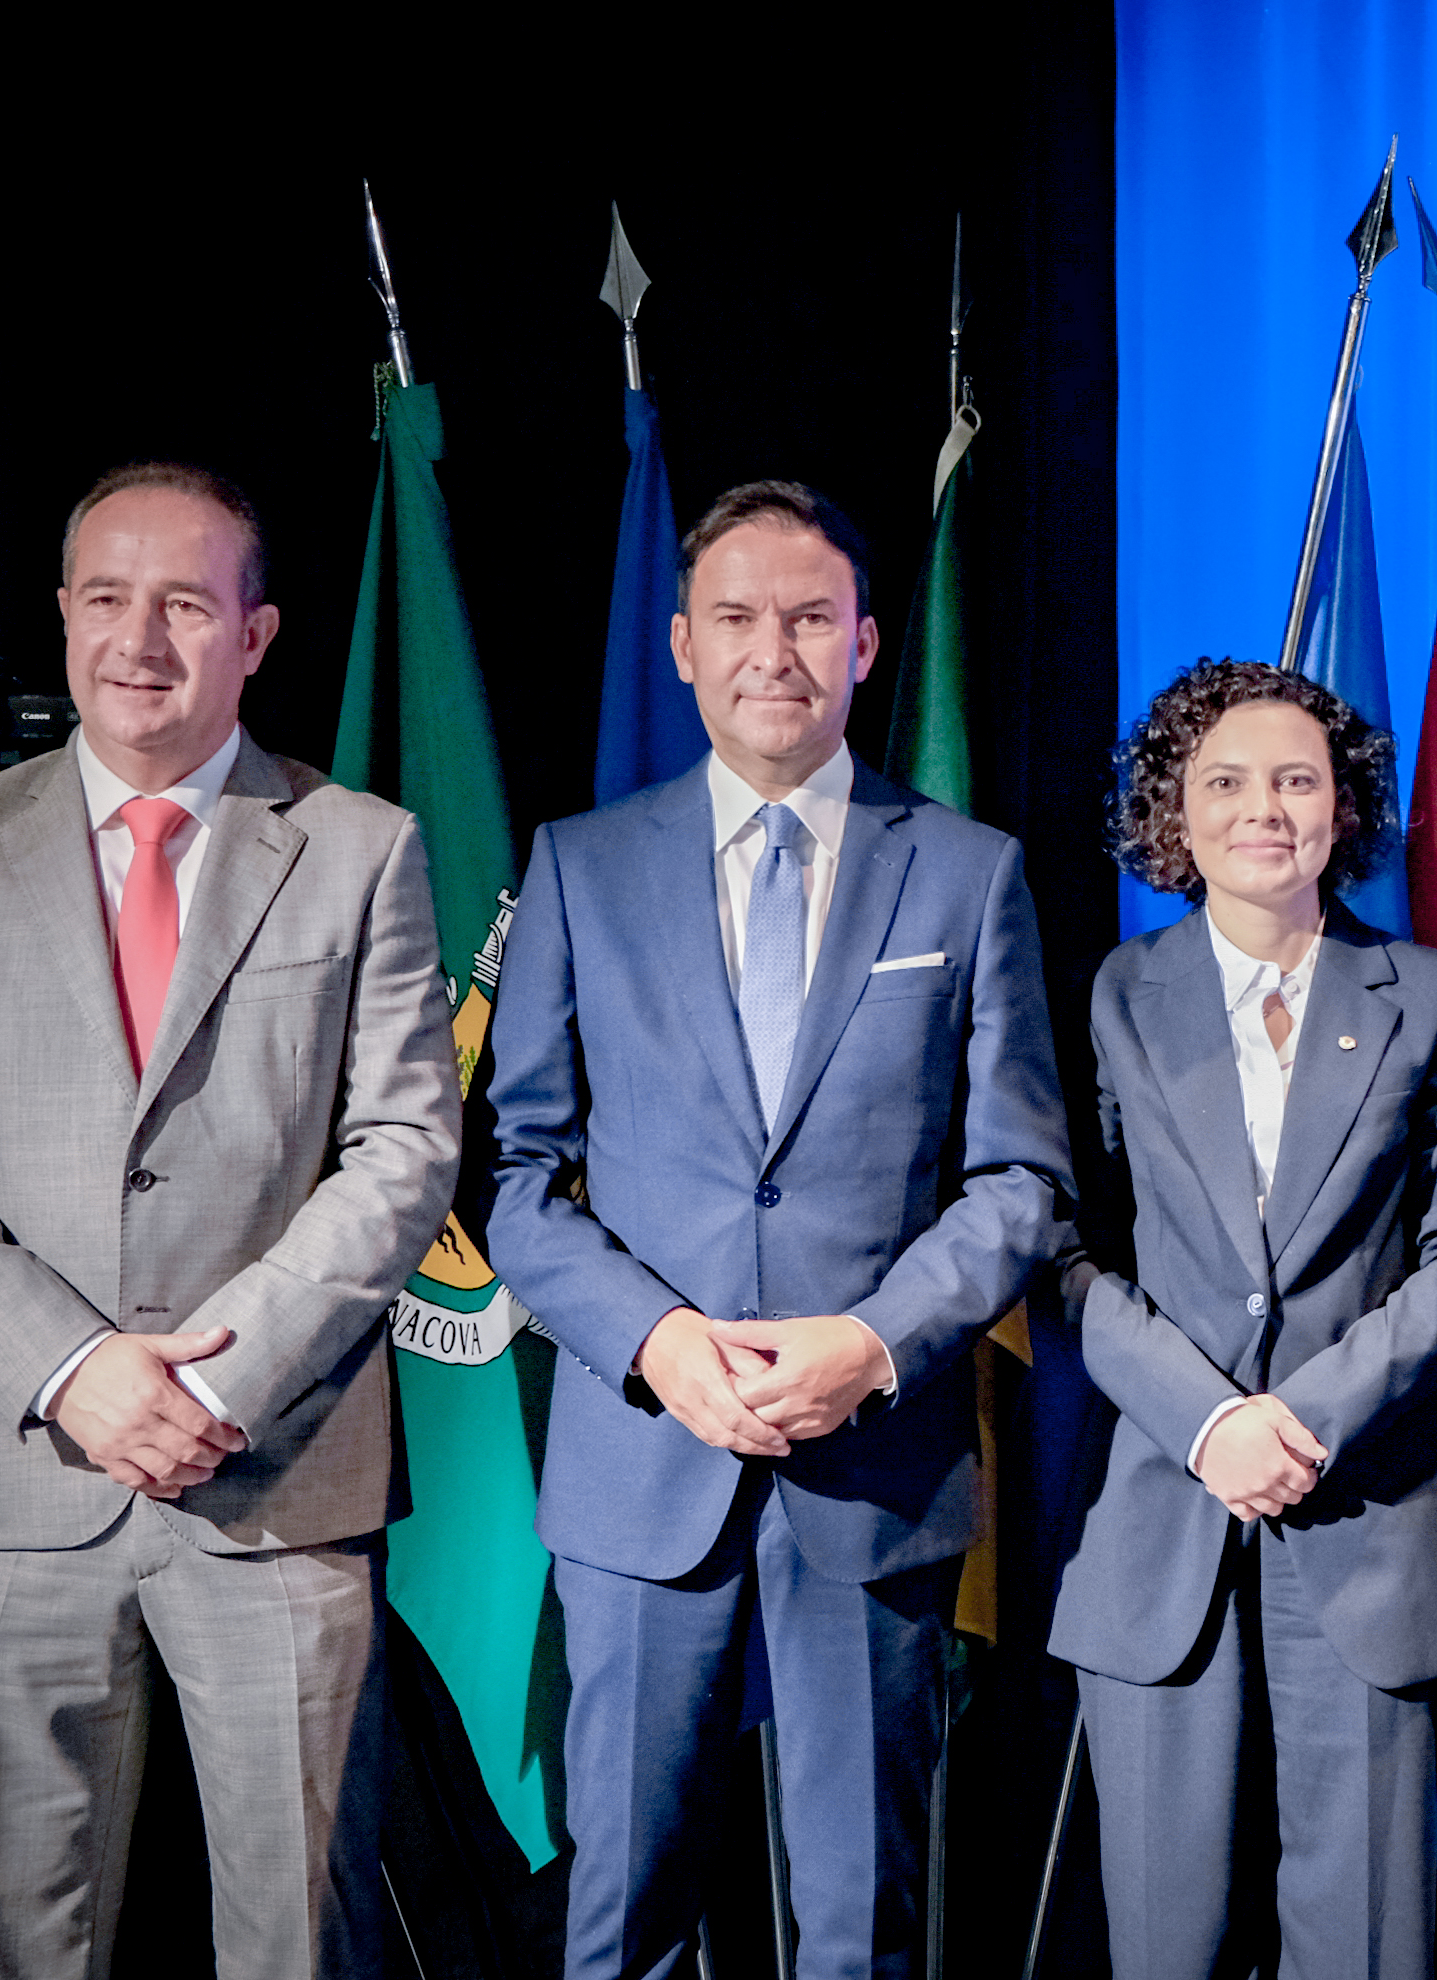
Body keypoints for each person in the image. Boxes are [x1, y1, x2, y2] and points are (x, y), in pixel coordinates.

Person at [0, 462, 463, 1975]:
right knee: (10, 1942)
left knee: (298, 1940)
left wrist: (223, 1381)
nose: (139, 639)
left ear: (256, 634)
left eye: (184, 603)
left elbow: (404, 1145)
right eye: (107, 598)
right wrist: (74, 1369)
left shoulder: (359, 845)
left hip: (275, 1480)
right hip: (21, 1476)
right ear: (63, 616)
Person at [482, 481, 1071, 1980]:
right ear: (682, 646)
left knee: (862, 1920)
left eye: (810, 618)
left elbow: (1020, 1181)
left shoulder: (968, 870)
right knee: (620, 1914)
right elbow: (519, 1179)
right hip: (643, 1463)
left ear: (864, 644)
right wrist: (657, 1344)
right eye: (736, 618)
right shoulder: (580, 865)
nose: (773, 652)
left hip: (873, 1468)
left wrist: (873, 1343)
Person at [1049, 661, 1437, 1980]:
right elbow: (1066, 1252)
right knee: (1163, 1944)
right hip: (1158, 1525)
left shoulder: (1429, 997)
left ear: (1342, 807)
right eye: (1227, 783)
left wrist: (1300, 1420)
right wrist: (1209, 1425)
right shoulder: (1111, 996)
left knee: (1363, 1945)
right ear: (1174, 814)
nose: (1264, 809)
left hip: (1368, 1517)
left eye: (1297, 780)